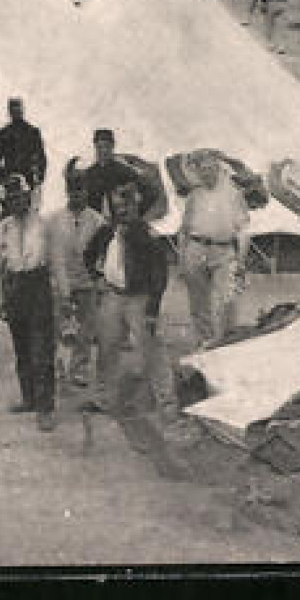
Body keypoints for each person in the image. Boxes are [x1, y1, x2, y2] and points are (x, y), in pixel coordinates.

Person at [83, 181, 176, 420]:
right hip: (113, 295)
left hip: (139, 298)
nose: (123, 211)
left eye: (128, 206)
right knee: (107, 346)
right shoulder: (106, 232)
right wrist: (97, 277)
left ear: (136, 207)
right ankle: (103, 398)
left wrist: (153, 307)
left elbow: (159, 274)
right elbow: (88, 254)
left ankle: (166, 403)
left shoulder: (146, 235)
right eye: (118, 207)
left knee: (152, 348)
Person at [0, 175, 66, 432]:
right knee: (22, 347)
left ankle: (46, 407)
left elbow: (56, 262)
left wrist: (64, 295)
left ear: (29, 197)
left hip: (38, 287)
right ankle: (29, 398)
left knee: (42, 349)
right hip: (14, 287)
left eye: (20, 198)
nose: (17, 203)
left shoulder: (44, 225)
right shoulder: (3, 228)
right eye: (11, 199)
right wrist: (1, 299)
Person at [176, 153, 252, 347]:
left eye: (210, 169)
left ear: (218, 170)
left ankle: (225, 341)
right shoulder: (194, 196)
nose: (206, 174)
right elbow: (184, 229)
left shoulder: (233, 195)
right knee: (198, 302)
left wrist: (241, 262)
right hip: (195, 248)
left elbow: (243, 230)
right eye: (202, 170)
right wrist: (182, 257)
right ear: (198, 173)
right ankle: (204, 342)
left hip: (223, 251)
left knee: (225, 299)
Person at [43, 173, 108, 390]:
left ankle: (80, 368)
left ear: (87, 192)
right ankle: (56, 367)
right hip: (61, 281)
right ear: (67, 192)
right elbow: (50, 254)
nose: (77, 195)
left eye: (80, 191)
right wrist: (58, 284)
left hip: (87, 283)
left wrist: (98, 283)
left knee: (86, 329)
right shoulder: (53, 220)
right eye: (73, 191)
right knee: (57, 327)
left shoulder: (98, 221)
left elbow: (102, 257)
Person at [78, 128, 164, 218]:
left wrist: (137, 215)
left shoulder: (124, 171)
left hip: (121, 224)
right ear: (95, 147)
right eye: (100, 147)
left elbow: (151, 193)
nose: (103, 151)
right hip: (96, 225)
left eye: (107, 146)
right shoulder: (89, 174)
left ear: (112, 147)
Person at [0, 97, 47, 193]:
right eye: (13, 109)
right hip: (9, 177)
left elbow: (41, 157)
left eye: (18, 109)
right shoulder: (4, 133)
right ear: (9, 112)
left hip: (28, 177)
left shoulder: (32, 132)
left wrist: (40, 178)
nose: (16, 112)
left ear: (23, 110)